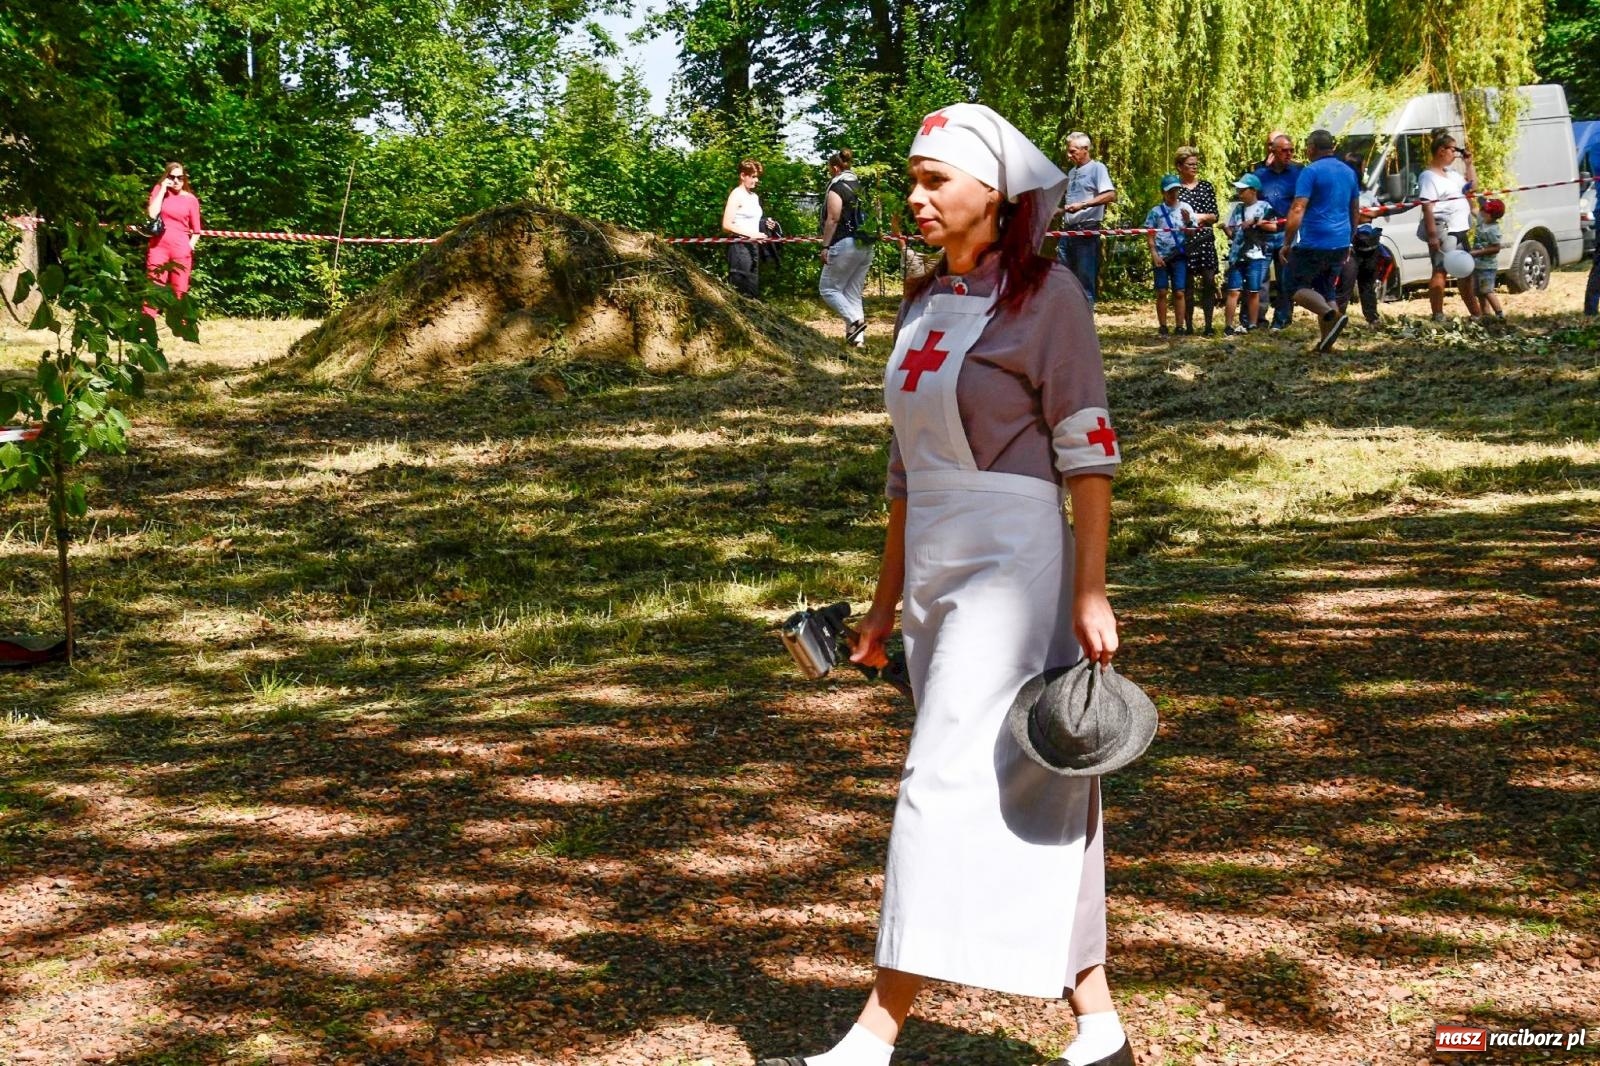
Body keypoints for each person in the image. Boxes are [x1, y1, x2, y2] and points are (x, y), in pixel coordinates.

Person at [758, 102, 1131, 1066]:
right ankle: (1099, 1019)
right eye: (913, 180)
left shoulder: (1053, 303)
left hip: (1014, 563)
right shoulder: (921, 301)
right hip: (933, 562)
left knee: (938, 779)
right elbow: (902, 471)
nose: (916, 198)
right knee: (1039, 776)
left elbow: (1087, 455)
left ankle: (875, 1034)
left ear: (996, 196)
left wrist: (1089, 592)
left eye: (936, 181)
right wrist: (883, 608)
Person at [1280, 128, 1359, 352]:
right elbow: (1354, 208)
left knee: (1293, 285)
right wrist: (1350, 237)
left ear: (1312, 148)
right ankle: (1326, 343)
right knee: (1326, 291)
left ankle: (1330, 314)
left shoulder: (1310, 171)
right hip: (1340, 241)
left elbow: (1298, 208)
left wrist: (1287, 242)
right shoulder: (1348, 172)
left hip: (1314, 242)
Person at [1418, 131, 1481, 322]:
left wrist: (1469, 164)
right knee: (1441, 270)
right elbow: (1427, 208)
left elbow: (1472, 187)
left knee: (1465, 270)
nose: (1456, 154)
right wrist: (1432, 236)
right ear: (1440, 151)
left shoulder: (1453, 174)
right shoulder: (1428, 176)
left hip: (1460, 229)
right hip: (1444, 229)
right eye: (1453, 150)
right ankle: (1438, 314)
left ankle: (1475, 313)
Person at [1055, 132, 1118, 309]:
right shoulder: (1072, 172)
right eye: (1068, 151)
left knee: (1084, 281)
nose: (1069, 155)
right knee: (1063, 278)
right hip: (1068, 231)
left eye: (1073, 151)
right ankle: (1067, 323)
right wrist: (1059, 211)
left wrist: (1083, 205)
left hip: (1087, 231)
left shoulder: (1097, 168)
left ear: (1085, 149)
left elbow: (1110, 195)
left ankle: (1085, 328)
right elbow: (1071, 203)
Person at [818, 149, 874, 346]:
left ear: (835, 168)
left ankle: (855, 320)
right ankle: (857, 341)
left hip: (845, 243)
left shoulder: (837, 188)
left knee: (828, 289)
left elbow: (833, 219)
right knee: (852, 292)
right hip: (866, 245)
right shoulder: (861, 187)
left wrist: (825, 246)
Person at [1253, 132, 1302, 330]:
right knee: (1260, 279)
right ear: (1272, 151)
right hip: (1263, 233)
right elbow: (1248, 201)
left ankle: (1282, 319)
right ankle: (1259, 319)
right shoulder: (1259, 175)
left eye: (1292, 150)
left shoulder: (1299, 173)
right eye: (1284, 150)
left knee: (1285, 278)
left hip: (1286, 232)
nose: (1289, 154)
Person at [144, 161, 202, 313]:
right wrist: (163, 188)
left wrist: (189, 247)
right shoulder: (159, 191)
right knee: (154, 287)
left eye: (180, 177)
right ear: (166, 177)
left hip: (181, 250)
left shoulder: (191, 199)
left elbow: (196, 230)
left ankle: (183, 325)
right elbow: (152, 214)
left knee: (180, 289)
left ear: (185, 179)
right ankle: (147, 322)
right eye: (172, 177)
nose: (176, 181)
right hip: (158, 247)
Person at [1174, 147, 1220, 335]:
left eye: (1195, 164)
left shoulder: (1206, 187)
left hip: (1205, 239)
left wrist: (1195, 217)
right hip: (1185, 241)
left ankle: (1209, 325)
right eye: (1190, 164)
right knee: (1187, 285)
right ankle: (1189, 325)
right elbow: (1173, 215)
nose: (1194, 167)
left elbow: (1214, 215)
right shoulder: (1175, 189)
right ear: (1179, 167)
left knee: (1209, 282)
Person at [1221, 174, 1274, 335]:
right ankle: (1228, 325)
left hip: (1256, 255)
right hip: (1237, 256)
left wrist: (1256, 223)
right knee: (1233, 291)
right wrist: (1225, 229)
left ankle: (1252, 324)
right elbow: (1233, 235)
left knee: (1253, 291)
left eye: (1242, 190)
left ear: (1253, 190)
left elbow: (1273, 227)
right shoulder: (1237, 209)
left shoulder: (1265, 207)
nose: (1239, 193)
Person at [1145, 175, 1197, 335]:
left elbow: (1192, 233)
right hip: (1161, 256)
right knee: (1161, 291)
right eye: (1170, 191)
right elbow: (1150, 234)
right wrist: (1154, 254)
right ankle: (1163, 325)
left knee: (1179, 291)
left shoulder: (1186, 208)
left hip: (1179, 256)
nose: (1173, 194)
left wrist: (1188, 222)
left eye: (1176, 190)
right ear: (1163, 192)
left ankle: (1180, 325)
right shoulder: (1155, 212)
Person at [722, 159, 766, 297]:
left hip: (753, 246)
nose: (756, 180)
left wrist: (765, 223)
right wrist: (751, 234)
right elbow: (727, 225)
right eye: (753, 176)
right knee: (741, 290)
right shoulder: (736, 195)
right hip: (739, 247)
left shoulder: (754, 197)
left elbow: (751, 220)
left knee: (753, 289)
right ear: (742, 176)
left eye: (757, 176)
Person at [1469, 197, 1506, 321]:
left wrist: (1478, 252)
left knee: (1487, 291)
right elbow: (1473, 208)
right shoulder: (1483, 220)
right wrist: (1468, 195)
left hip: (1487, 267)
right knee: (1479, 292)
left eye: (1485, 211)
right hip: (1477, 265)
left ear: (1492, 215)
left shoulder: (1493, 229)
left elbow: (1496, 248)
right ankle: (1486, 315)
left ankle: (1499, 314)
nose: (1482, 213)